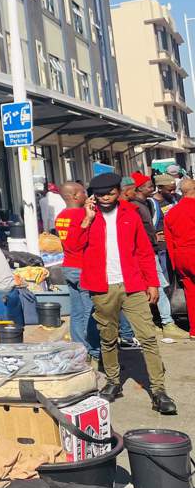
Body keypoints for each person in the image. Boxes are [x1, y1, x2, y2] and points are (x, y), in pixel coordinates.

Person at [66, 172, 175, 414]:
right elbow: (72, 248)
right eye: (100, 194)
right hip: (102, 286)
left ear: (119, 191)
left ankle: (159, 390)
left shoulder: (130, 214)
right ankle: (114, 382)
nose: (105, 198)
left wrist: (152, 282)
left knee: (147, 336)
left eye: (110, 193)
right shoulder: (84, 216)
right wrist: (87, 219)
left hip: (133, 284)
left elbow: (144, 251)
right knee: (108, 336)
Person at [129, 172, 185, 343]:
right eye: (148, 186)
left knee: (159, 286)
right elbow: (137, 231)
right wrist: (153, 239)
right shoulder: (135, 206)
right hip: (144, 253)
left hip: (150, 250)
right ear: (138, 188)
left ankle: (158, 322)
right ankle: (167, 324)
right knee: (158, 286)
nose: (151, 188)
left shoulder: (146, 203)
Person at [56, 181, 100, 364]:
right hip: (83, 267)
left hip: (68, 267)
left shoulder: (61, 216)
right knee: (91, 311)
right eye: (83, 192)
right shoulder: (82, 215)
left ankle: (79, 349)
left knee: (76, 312)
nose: (86, 195)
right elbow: (79, 242)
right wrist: (89, 218)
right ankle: (94, 351)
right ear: (74, 195)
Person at [164, 178, 195, 341]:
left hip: (181, 256)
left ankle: (194, 329)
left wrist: (175, 265)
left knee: (191, 293)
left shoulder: (171, 213)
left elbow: (169, 242)